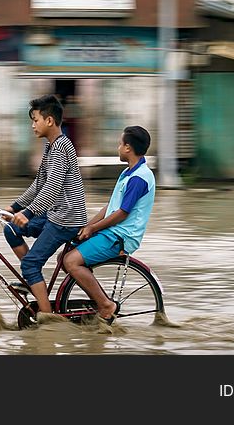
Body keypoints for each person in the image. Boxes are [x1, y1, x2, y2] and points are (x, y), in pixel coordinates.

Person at [1, 94, 88, 318]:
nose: (32, 125)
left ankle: (47, 318)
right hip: (54, 214)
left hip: (66, 219)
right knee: (11, 229)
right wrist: (14, 208)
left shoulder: (60, 148)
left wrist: (28, 213)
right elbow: (39, 185)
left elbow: (52, 189)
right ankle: (36, 283)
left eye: (35, 119)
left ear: (49, 121)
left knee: (29, 265)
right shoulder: (51, 147)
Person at [63, 126, 156, 325]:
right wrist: (87, 226)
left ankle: (105, 304)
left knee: (71, 262)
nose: (118, 147)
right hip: (110, 232)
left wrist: (93, 229)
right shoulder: (128, 173)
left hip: (119, 236)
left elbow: (122, 213)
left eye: (120, 144)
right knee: (65, 254)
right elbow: (111, 206)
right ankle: (92, 300)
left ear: (128, 148)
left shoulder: (139, 178)